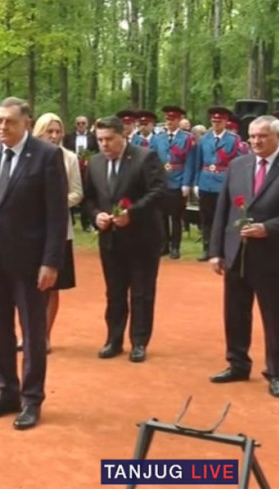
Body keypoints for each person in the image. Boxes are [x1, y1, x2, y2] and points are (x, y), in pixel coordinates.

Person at [0, 97, 69, 430]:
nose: (2, 126)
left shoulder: (47, 156)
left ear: (26, 123)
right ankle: (6, 392)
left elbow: (57, 215)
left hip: (31, 262)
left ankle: (31, 399)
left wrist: (51, 262)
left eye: (9, 121)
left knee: (32, 333)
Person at [208, 115, 279, 398]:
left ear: (278, 136)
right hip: (237, 254)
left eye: (262, 136)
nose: (256, 141)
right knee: (235, 314)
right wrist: (216, 251)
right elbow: (223, 210)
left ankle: (276, 372)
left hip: (275, 257)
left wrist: (268, 228)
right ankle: (237, 364)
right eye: (252, 136)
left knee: (275, 318)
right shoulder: (238, 165)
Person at [82, 116, 166, 363]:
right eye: (100, 140)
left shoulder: (145, 158)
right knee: (114, 292)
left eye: (109, 139)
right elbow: (89, 198)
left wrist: (132, 213)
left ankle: (139, 342)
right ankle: (114, 340)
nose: (104, 144)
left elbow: (159, 192)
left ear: (123, 135)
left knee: (141, 292)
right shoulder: (95, 163)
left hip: (143, 238)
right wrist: (96, 216)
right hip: (110, 240)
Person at [15, 112, 83, 353]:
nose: (54, 136)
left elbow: (77, 193)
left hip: (59, 232)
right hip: (28, 232)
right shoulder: (25, 156)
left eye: (58, 131)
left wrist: (54, 204)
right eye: (49, 131)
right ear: (38, 132)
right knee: (26, 287)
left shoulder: (69, 158)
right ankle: (27, 335)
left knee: (52, 287)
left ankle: (44, 337)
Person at [187, 106, 245, 261]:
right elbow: (198, 162)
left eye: (219, 121)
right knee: (206, 218)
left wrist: (235, 182)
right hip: (205, 182)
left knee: (224, 217)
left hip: (224, 182)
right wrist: (196, 183)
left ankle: (223, 249)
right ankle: (207, 248)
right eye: (213, 121)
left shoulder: (234, 140)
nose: (216, 124)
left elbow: (239, 163)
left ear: (225, 122)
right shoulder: (204, 139)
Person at [150, 106, 196, 259]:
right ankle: (164, 245)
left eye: (172, 119)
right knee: (162, 216)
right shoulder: (158, 138)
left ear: (178, 121)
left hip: (178, 180)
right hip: (162, 181)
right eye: (167, 119)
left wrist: (186, 183)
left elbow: (189, 162)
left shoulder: (187, 138)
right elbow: (153, 160)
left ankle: (175, 246)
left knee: (176, 217)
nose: (169, 122)